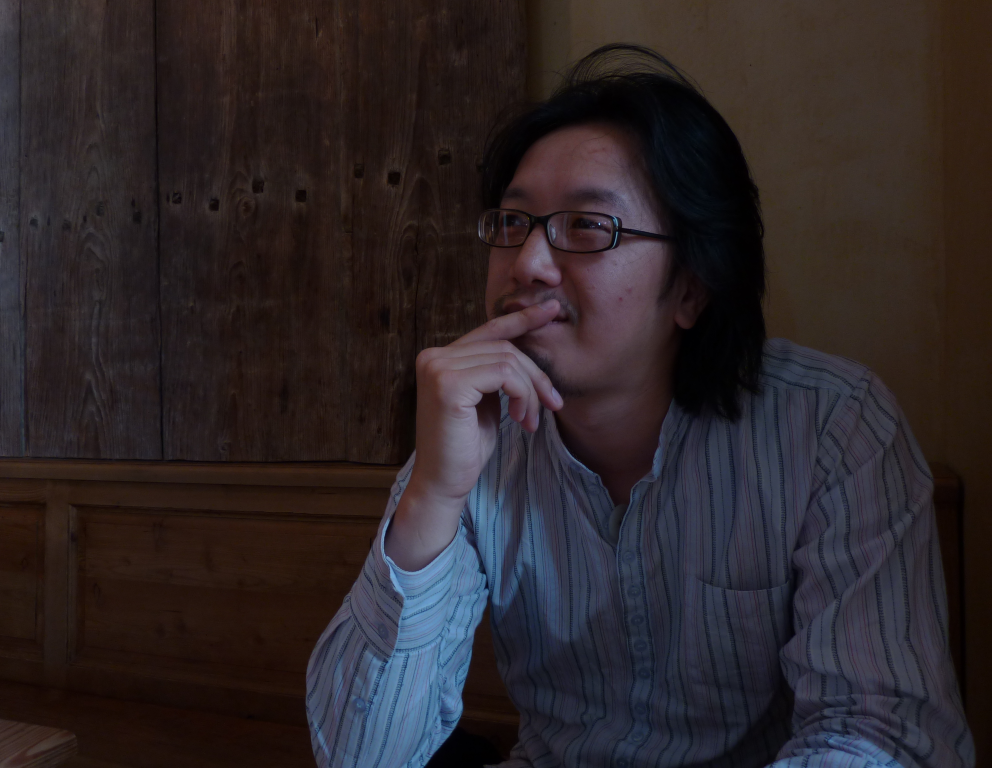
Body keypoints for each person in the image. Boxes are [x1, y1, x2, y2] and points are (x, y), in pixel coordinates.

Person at [306, 44, 973, 767]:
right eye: (513, 224)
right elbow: (360, 757)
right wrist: (433, 496)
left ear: (691, 286)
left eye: (588, 227)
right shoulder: (468, 440)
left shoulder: (833, 429)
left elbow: (879, 734)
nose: (527, 264)